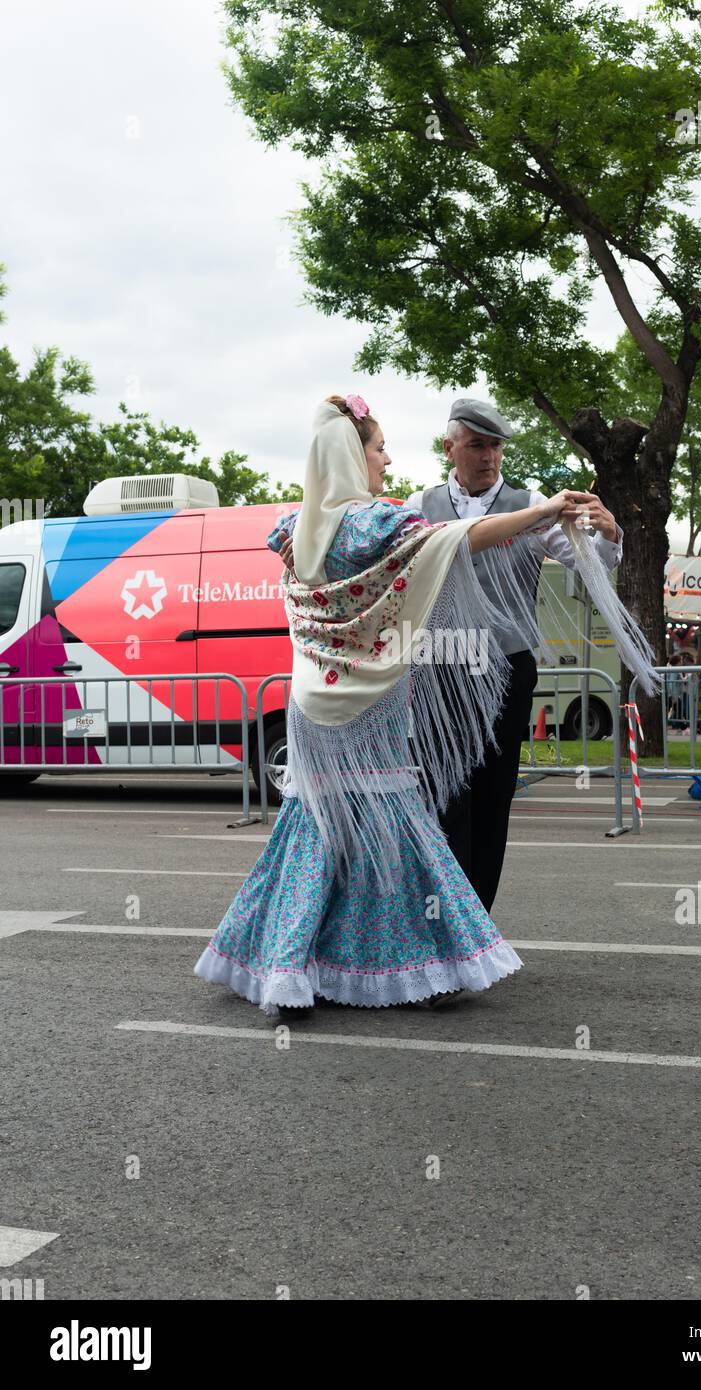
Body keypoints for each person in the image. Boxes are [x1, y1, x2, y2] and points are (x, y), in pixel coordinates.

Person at [194, 395, 609, 1016]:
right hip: (373, 702)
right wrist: (548, 508)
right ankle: (433, 956)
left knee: (317, 830)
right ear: (350, 455)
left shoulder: (296, 527)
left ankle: (286, 962)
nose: (387, 459)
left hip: (314, 700)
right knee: (401, 829)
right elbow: (457, 540)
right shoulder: (376, 522)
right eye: (378, 447)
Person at [404, 399, 624, 912]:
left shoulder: (533, 505)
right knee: (442, 792)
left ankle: (475, 920)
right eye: (477, 445)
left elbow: (590, 567)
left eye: (496, 446)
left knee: (493, 793)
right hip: (440, 666)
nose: (489, 457)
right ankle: (445, 919)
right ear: (449, 448)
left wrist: (611, 536)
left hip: (506, 666)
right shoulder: (419, 505)